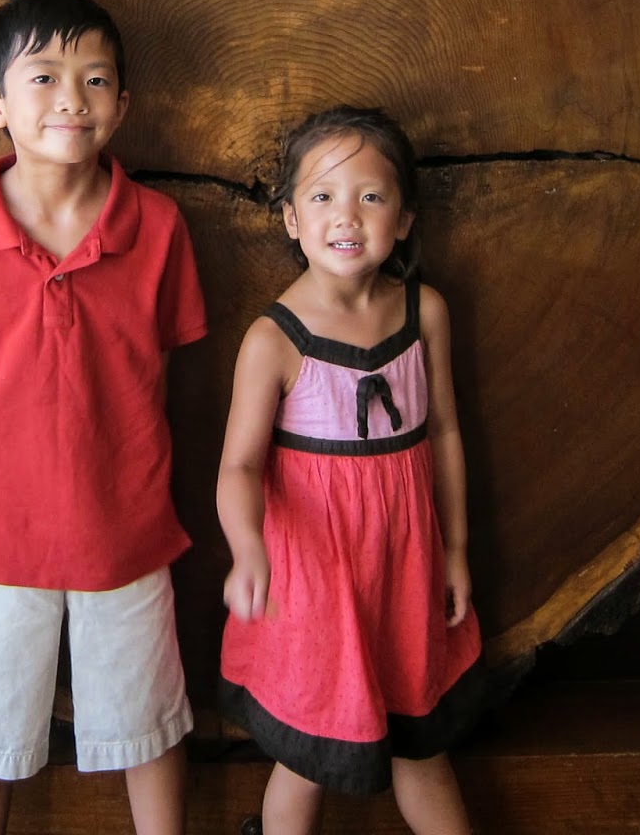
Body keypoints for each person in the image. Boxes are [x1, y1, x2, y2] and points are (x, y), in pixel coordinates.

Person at [0, 0, 207, 835]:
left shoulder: (158, 226)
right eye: (45, 78)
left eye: (95, 80)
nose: (72, 99)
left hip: (124, 524)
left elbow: (159, 371)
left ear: (123, 105)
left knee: (148, 715)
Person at [217, 105, 483, 835]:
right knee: (306, 755)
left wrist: (456, 550)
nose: (347, 215)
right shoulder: (273, 339)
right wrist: (246, 548)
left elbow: (446, 432)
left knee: (422, 747)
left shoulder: (425, 313)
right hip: (315, 584)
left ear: (404, 218)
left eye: (371, 196)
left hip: (406, 575)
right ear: (291, 219)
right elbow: (239, 465)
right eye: (323, 195)